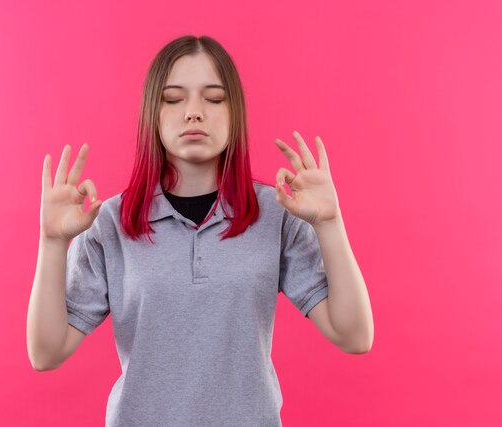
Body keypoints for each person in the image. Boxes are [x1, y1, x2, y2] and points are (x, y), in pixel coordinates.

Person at [27, 35, 373, 426]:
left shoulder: (277, 214)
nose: (194, 112)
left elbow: (355, 336)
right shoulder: (110, 222)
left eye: (213, 98)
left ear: (235, 113)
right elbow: (46, 353)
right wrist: (52, 242)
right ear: (152, 115)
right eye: (173, 99)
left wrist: (330, 223)